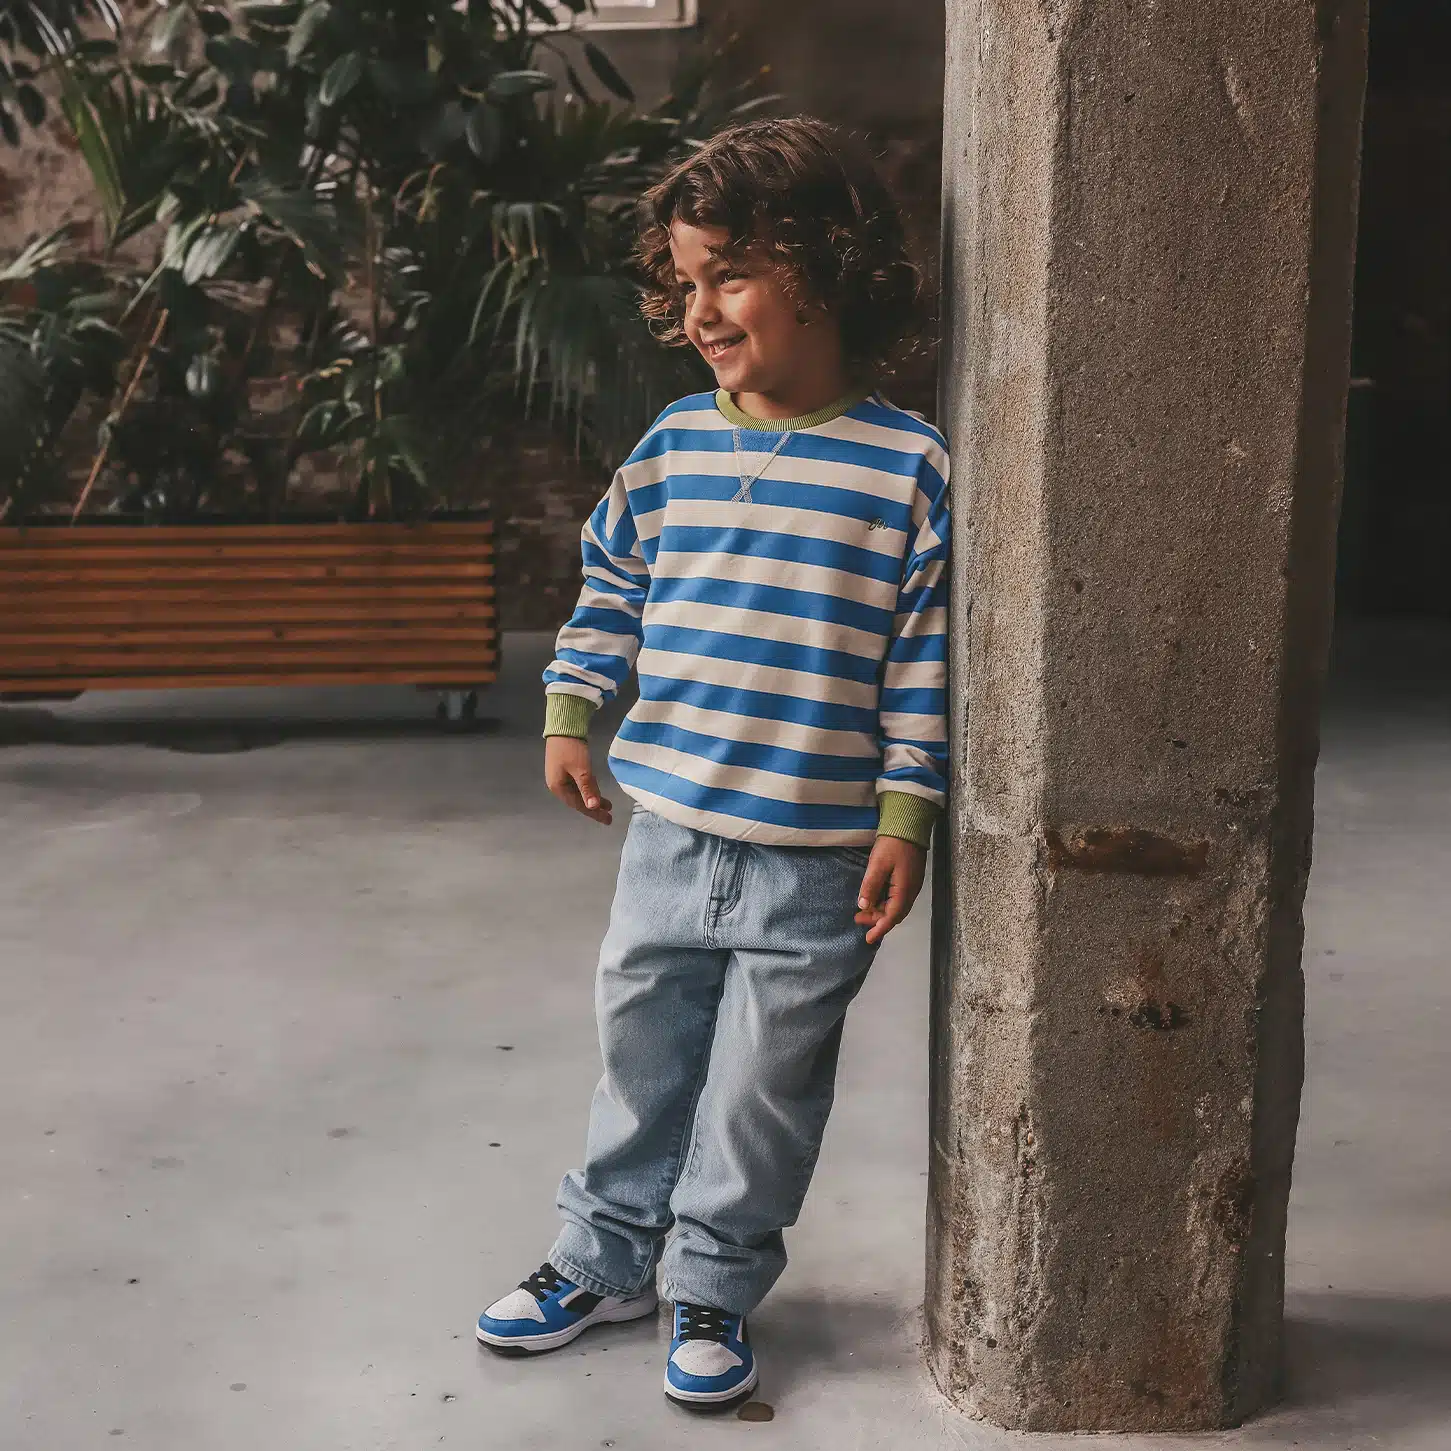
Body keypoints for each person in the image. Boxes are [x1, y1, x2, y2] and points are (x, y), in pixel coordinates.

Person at [475, 116, 950, 1412]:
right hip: (670, 827)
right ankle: (602, 1258)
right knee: (642, 1053)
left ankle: (714, 1282)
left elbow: (922, 656)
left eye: (728, 275)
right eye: (686, 283)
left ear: (830, 268)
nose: (699, 312)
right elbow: (611, 585)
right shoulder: (675, 443)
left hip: (817, 851)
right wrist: (571, 709)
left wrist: (907, 810)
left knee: (760, 1088)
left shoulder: (907, 467)